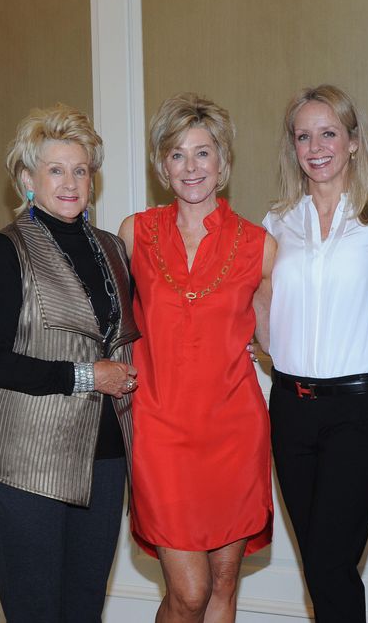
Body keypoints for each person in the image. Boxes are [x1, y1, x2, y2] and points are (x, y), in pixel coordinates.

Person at [0, 104, 139, 622]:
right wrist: (86, 376)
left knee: (85, 606)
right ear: (27, 179)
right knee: (35, 609)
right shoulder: (5, 250)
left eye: (81, 169)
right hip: (28, 461)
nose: (71, 182)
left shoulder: (111, 248)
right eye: (56, 169)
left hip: (106, 458)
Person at [118, 93, 276, 623]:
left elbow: (278, 340)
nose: (192, 167)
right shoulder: (133, 234)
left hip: (235, 431)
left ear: (223, 162)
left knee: (222, 588)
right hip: (159, 431)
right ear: (163, 165)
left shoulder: (259, 245)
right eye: (178, 154)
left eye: (203, 153)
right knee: (188, 592)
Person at [261, 84, 368, 622]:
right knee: (321, 568)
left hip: (362, 411)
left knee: (330, 562)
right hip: (291, 410)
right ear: (293, 147)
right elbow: (259, 306)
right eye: (304, 136)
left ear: (352, 141)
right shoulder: (278, 224)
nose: (317, 146)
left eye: (329, 133)